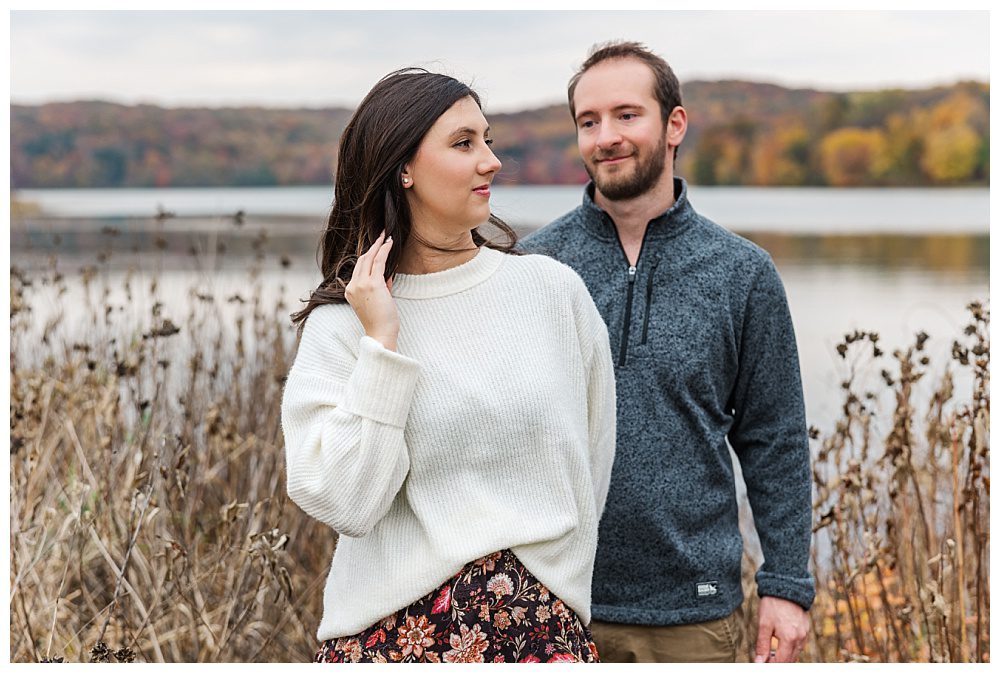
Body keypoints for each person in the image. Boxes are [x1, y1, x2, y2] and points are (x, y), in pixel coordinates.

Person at [280, 68, 616, 664]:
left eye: (487, 140)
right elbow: (345, 503)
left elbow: (592, 461)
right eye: (463, 144)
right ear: (402, 167)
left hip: (542, 634)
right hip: (390, 642)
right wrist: (383, 343)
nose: (491, 162)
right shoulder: (345, 323)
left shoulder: (552, 292)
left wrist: (560, 593)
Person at [520, 41, 814, 663]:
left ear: (674, 124)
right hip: (553, 603)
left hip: (695, 610)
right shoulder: (535, 268)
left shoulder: (742, 273)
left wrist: (786, 586)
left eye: (627, 115)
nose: (606, 137)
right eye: (588, 121)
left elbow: (775, 438)